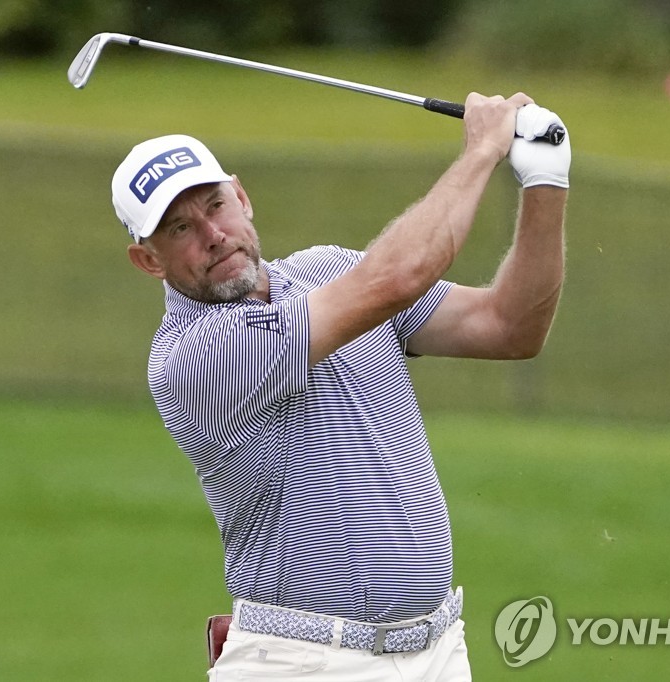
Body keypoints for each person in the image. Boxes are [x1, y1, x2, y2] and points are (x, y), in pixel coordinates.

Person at [111, 92, 570, 681]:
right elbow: (396, 276)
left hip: (436, 651)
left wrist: (546, 180)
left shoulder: (327, 270)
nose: (213, 234)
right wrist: (483, 150)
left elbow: (510, 326)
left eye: (215, 205)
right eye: (180, 228)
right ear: (149, 261)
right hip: (306, 662)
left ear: (242, 197)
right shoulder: (193, 357)